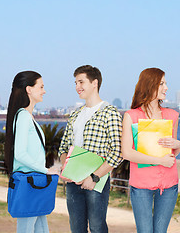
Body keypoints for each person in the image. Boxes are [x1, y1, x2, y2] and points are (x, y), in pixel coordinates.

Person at [58, 65, 123, 233]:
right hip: (73, 182)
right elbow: (63, 147)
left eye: (81, 82)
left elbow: (117, 152)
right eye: (75, 82)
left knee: (97, 227)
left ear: (94, 83)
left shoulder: (110, 113)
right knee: (76, 228)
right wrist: (67, 169)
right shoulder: (75, 114)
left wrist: (93, 177)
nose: (77, 87)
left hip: (97, 182)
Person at [121, 67, 180, 233]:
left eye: (165, 83)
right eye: (161, 83)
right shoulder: (131, 116)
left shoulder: (172, 115)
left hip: (169, 184)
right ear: (149, 85)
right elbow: (126, 153)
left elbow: (173, 152)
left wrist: (178, 145)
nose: (166, 88)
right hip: (141, 185)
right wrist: (159, 161)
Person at [4, 71, 59, 233]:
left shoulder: (27, 116)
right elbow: (20, 154)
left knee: (41, 230)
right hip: (29, 184)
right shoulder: (23, 117)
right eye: (41, 87)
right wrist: (46, 170)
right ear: (29, 89)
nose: (44, 91)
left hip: (34, 185)